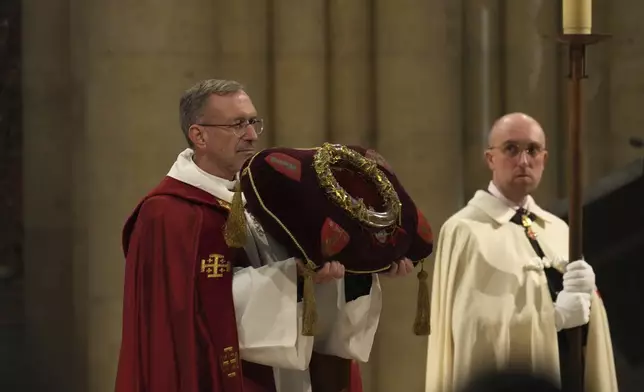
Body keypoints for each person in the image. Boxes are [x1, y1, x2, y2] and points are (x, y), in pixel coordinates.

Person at [115, 78, 414, 392]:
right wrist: (291, 277)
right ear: (199, 135)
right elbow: (188, 312)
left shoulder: (267, 196)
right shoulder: (167, 213)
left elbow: (314, 281)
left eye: (253, 122)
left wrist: (358, 272)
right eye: (237, 124)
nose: (251, 135)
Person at [424, 112, 618, 392]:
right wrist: (554, 317)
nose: (524, 160)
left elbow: (583, 323)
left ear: (544, 159)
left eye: (533, 150)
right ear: (490, 158)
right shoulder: (465, 230)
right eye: (511, 149)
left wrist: (590, 301)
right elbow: (476, 332)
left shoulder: (559, 229)